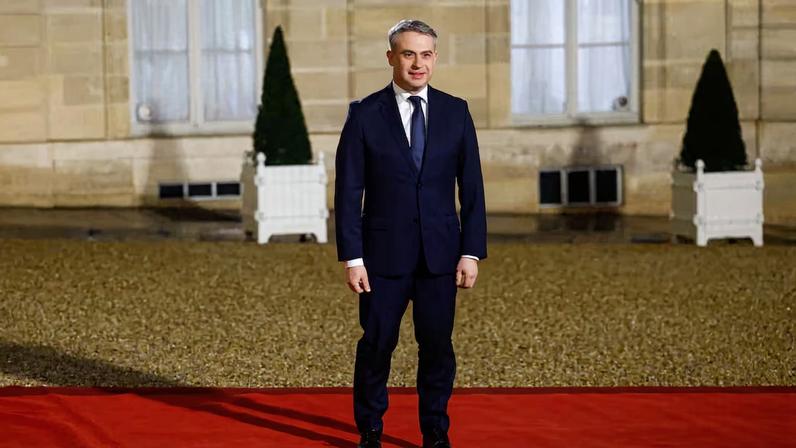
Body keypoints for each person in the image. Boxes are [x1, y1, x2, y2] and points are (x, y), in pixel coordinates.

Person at [334, 19, 487, 448]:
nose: (417, 63)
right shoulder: (364, 114)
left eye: (425, 54)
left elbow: (471, 187)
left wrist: (471, 252)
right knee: (378, 344)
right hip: (382, 258)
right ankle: (370, 428)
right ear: (391, 58)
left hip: (441, 254)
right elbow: (348, 191)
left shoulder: (457, 111)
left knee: (437, 346)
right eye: (408, 54)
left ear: (435, 58)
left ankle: (435, 429)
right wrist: (353, 257)